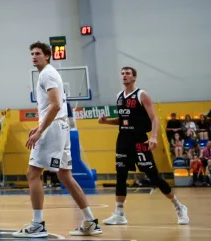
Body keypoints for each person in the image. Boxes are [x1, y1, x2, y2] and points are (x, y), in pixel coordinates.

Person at [12, 42, 101, 238]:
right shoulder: (48, 73)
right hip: (59, 127)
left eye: (38, 54)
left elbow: (55, 105)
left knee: (33, 173)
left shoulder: (47, 74)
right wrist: (40, 126)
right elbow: (54, 108)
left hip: (53, 129)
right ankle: (90, 220)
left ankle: (37, 224)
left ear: (47, 56)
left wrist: (40, 131)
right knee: (65, 176)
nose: (34, 57)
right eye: (32, 54)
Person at [98, 66, 189, 225]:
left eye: (128, 73)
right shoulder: (119, 96)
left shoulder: (141, 95)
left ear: (134, 78)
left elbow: (154, 118)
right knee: (121, 175)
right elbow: (123, 121)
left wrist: (153, 137)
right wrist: (107, 122)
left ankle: (179, 206)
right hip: (123, 140)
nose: (124, 76)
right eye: (122, 73)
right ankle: (119, 213)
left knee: (153, 176)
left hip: (139, 140)